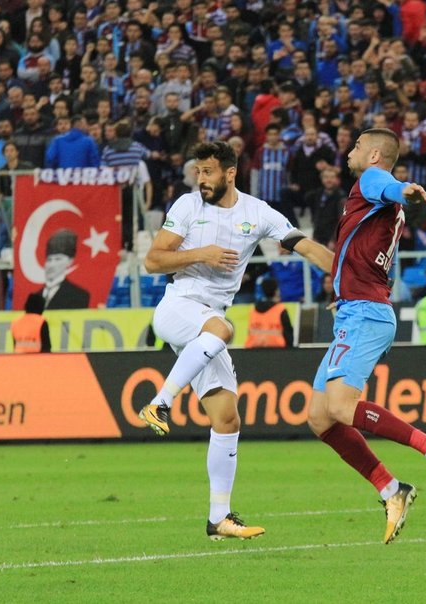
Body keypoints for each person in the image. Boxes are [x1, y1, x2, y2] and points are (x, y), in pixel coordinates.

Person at [138, 141, 334, 540]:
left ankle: (218, 519)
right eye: (197, 171)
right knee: (223, 330)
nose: (201, 179)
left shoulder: (257, 212)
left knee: (227, 418)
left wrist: (348, 275)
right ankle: (159, 403)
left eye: (208, 171)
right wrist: (201, 254)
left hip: (207, 323)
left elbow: (303, 245)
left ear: (230, 173)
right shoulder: (187, 206)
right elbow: (153, 261)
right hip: (178, 306)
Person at [306, 128, 426, 546]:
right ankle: (392, 489)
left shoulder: (371, 181)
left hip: (365, 313)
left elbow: (389, 185)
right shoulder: (374, 203)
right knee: (320, 417)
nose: (350, 151)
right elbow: (343, 257)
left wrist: (404, 189)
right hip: (354, 311)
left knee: (341, 407)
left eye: (357, 146)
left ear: (374, 154)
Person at [25, 229, 90, 310]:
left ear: (70, 262)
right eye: (49, 260)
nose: (51, 265)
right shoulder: (35, 297)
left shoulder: (79, 295)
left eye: (58, 259)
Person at [245, 277, 294, 348]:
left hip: (254, 349)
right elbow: (288, 333)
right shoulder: (280, 309)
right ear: (276, 291)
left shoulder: (254, 310)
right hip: (277, 350)